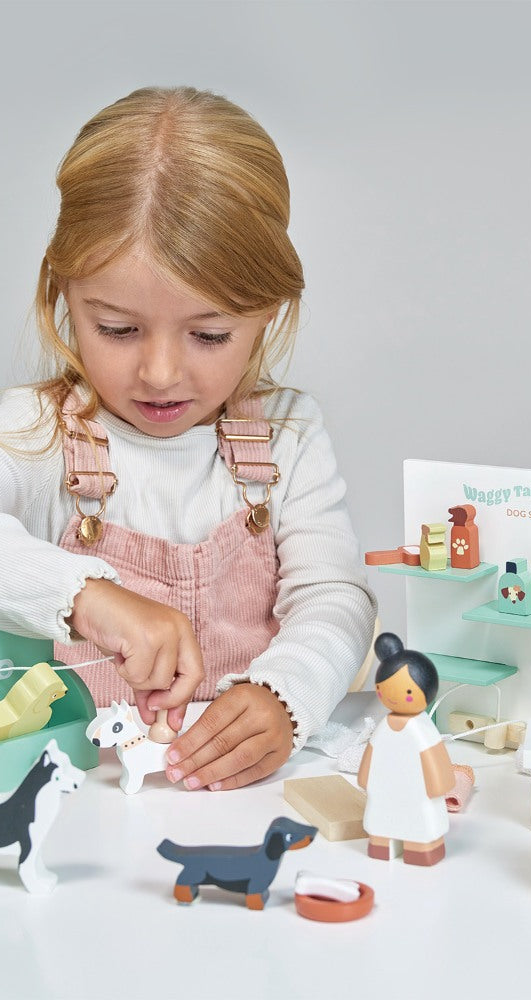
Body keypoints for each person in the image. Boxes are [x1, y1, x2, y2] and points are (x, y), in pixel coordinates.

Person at [0, 86, 376, 790]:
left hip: (241, 803)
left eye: (208, 334)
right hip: (82, 801)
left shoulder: (287, 438)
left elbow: (335, 595)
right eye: (117, 328)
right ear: (63, 294)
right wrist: (85, 594)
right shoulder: (34, 434)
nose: (160, 371)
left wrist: (288, 693)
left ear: (269, 311)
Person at [357, 633, 454, 866]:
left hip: (416, 791)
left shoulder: (420, 729)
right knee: (382, 819)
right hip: (385, 791)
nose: (394, 696)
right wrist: (365, 778)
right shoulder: (384, 728)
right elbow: (372, 753)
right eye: (384, 690)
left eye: (408, 692)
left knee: (419, 822)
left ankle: (420, 850)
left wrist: (438, 785)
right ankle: (381, 846)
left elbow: (434, 759)